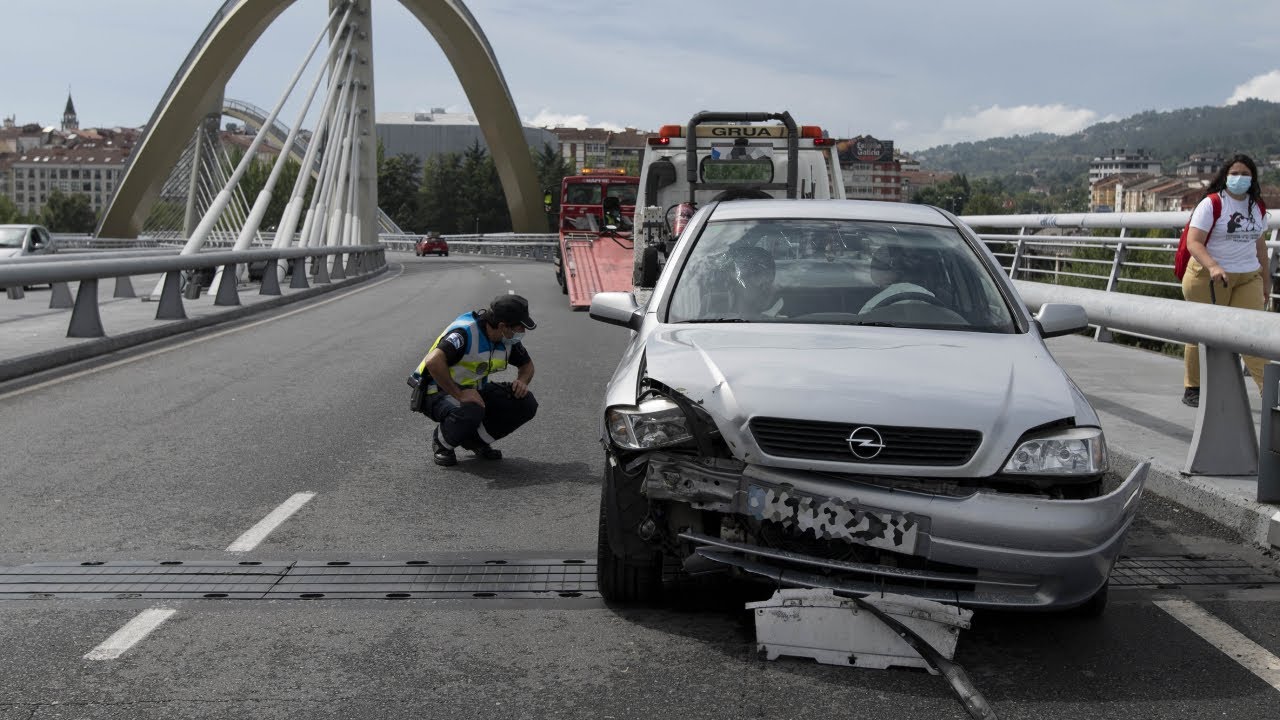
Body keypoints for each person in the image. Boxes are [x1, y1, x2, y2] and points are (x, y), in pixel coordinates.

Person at [1180, 153, 1272, 407]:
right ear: (1225, 176)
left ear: (1252, 178)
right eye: (1235, 174)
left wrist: (1265, 281)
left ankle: (1271, 394)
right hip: (1208, 277)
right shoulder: (1212, 203)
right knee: (1201, 332)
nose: (1239, 178)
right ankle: (1193, 387)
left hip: (1247, 276)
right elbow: (1194, 242)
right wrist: (1212, 266)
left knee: (1253, 334)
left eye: (1245, 174)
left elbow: (1261, 247)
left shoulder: (1256, 206)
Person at [409, 294, 538, 466]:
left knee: (525, 402)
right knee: (472, 409)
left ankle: (476, 442)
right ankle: (442, 443)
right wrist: (460, 393)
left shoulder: (506, 339)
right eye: (520, 327)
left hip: (473, 391)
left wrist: (522, 381)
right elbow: (433, 361)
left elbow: (527, 366)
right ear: (502, 326)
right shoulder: (465, 333)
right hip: (436, 391)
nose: (522, 332)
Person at [860, 245, 935, 312]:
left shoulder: (874, 304)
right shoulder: (929, 297)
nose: (872, 269)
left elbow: (862, 321)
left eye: (876, 264)